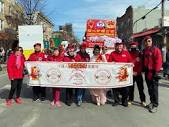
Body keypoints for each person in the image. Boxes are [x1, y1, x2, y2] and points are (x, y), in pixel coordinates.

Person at [142, 36, 162, 113]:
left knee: (154, 90)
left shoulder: (156, 50)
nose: (148, 42)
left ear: (151, 41)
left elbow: (158, 61)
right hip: (147, 72)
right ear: (144, 43)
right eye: (146, 41)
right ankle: (151, 102)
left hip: (153, 72)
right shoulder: (144, 50)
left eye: (149, 41)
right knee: (150, 89)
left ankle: (155, 105)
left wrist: (156, 72)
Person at [108, 42, 132, 107]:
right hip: (115, 74)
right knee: (115, 88)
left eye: (120, 46)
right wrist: (111, 63)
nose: (119, 47)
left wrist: (132, 65)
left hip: (124, 74)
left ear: (122, 46)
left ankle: (124, 100)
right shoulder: (112, 54)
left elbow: (130, 62)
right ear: (115, 46)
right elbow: (109, 63)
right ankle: (117, 101)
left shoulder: (126, 53)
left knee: (126, 89)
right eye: (118, 46)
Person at [128, 42, 146, 107]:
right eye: (132, 46)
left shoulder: (140, 54)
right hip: (131, 73)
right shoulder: (128, 53)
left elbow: (141, 64)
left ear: (136, 46)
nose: (133, 47)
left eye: (134, 46)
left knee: (141, 88)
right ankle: (130, 99)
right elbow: (127, 63)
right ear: (130, 47)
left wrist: (138, 72)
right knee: (131, 88)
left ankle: (143, 101)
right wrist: (132, 72)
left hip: (138, 74)